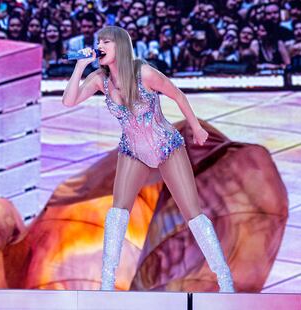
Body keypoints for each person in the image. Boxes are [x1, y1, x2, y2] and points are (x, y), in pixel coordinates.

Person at [62, 26, 235, 293]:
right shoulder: (99, 79)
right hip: (133, 150)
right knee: (118, 211)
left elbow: (177, 94)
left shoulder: (144, 72)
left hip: (166, 147)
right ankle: (107, 283)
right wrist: (80, 67)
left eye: (105, 41)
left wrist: (197, 127)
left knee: (192, 212)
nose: (100, 46)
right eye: (98, 42)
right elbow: (68, 101)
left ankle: (224, 278)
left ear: (120, 45)